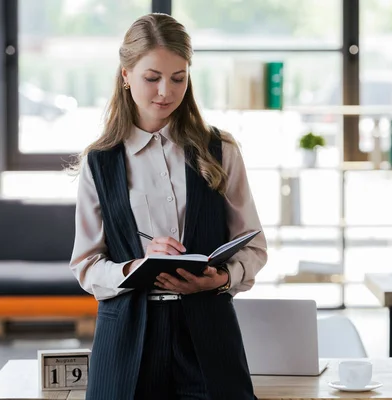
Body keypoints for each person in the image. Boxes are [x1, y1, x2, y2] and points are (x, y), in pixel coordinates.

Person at [69, 12, 267, 400]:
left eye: (179, 78)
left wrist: (223, 278)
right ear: (126, 75)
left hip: (208, 336)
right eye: (152, 77)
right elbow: (86, 266)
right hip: (127, 339)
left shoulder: (220, 150)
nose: (166, 91)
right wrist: (136, 267)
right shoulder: (99, 161)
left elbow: (253, 247)